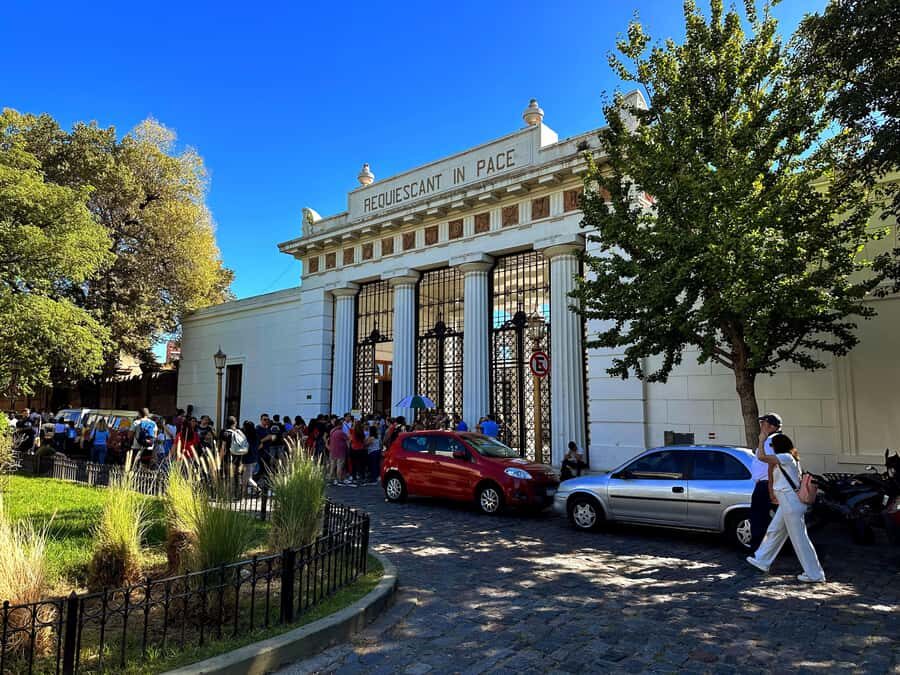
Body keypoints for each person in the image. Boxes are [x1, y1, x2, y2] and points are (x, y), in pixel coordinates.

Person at [746, 433, 825, 583]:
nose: (771, 448)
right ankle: (762, 560)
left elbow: (762, 457)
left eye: (772, 445)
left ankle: (815, 574)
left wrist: (761, 440)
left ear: (778, 445)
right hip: (787, 502)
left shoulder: (785, 457)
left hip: (790, 502)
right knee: (774, 530)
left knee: (800, 540)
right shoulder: (787, 458)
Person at [749, 413, 783, 553]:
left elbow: (770, 466)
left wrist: (770, 490)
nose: (761, 425)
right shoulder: (774, 440)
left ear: (771, 426)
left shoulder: (770, 441)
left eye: (763, 423)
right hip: (769, 485)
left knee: (759, 519)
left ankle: (758, 552)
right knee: (773, 520)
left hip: (766, 485)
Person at [327, 420, 349, 485]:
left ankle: (331, 478)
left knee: (332, 465)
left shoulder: (332, 431)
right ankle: (339, 478)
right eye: (342, 425)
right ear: (339, 425)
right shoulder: (341, 432)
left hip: (332, 450)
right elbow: (347, 440)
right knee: (340, 465)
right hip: (340, 451)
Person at [348, 420, 368, 485]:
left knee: (354, 464)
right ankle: (362, 477)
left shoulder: (352, 431)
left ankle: (354, 478)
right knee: (362, 465)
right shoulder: (362, 432)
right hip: (361, 450)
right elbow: (364, 441)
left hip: (354, 449)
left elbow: (350, 440)